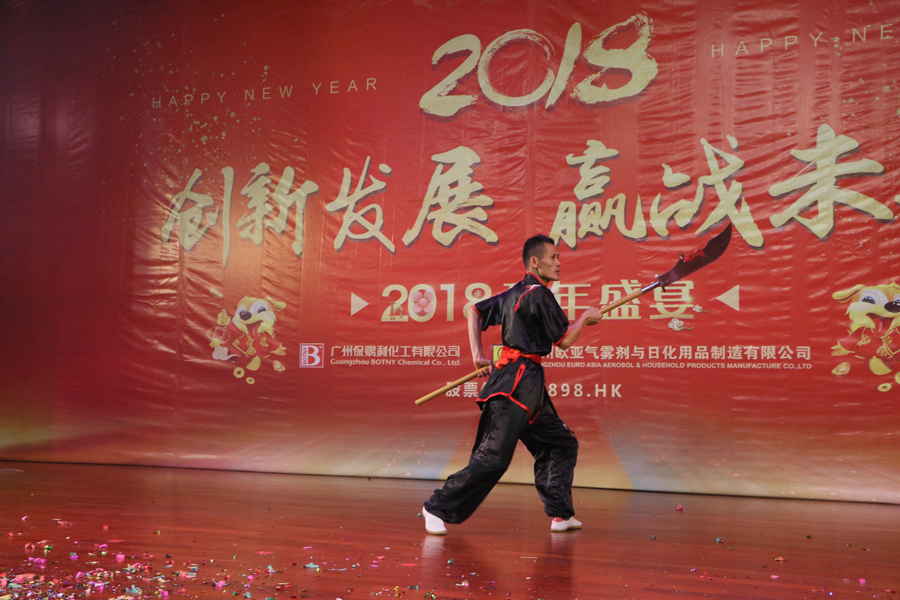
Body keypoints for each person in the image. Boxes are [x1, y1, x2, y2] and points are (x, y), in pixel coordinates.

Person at [422, 234, 603, 535]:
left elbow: (474, 311)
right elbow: (564, 340)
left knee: (560, 444)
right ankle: (435, 507)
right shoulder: (539, 294)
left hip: (528, 385)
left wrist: (478, 355)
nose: (559, 263)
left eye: (559, 257)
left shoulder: (514, 293)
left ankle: (561, 515)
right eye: (554, 257)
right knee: (493, 458)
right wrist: (584, 318)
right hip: (514, 386)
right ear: (535, 262)